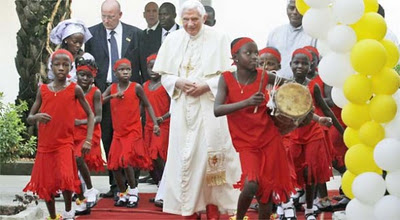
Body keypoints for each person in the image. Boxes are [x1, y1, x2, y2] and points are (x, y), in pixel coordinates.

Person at [152, 0, 241, 218]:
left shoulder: (219, 37)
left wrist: (206, 86)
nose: (190, 24)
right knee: (186, 157)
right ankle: (190, 208)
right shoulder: (172, 39)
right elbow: (164, 74)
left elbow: (229, 74)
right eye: (186, 20)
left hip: (210, 106)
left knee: (211, 154)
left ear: (204, 18)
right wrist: (177, 83)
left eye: (194, 19)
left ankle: (214, 206)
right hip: (183, 107)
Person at [214, 37, 296, 220]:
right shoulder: (226, 79)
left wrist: (282, 101)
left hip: (269, 139)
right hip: (246, 143)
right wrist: (247, 102)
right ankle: (240, 217)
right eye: (248, 53)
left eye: (255, 52)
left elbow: (290, 84)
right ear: (235, 57)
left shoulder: (264, 76)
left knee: (265, 192)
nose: (254, 57)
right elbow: (217, 110)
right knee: (251, 184)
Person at [23, 49, 95, 220]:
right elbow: (29, 118)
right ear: (51, 67)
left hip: (65, 142)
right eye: (57, 65)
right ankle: (53, 216)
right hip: (45, 145)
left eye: (65, 65)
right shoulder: (43, 90)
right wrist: (36, 117)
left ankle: (69, 212)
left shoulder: (74, 89)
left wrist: (88, 140)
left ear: (71, 68)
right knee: (47, 183)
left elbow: (90, 115)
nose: (61, 68)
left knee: (65, 178)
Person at [84, 0, 143, 199]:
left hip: (130, 96)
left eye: (111, 16)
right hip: (106, 94)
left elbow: (141, 65)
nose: (106, 20)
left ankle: (132, 183)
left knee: (131, 141)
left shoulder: (134, 34)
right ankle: (116, 184)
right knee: (109, 138)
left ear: (120, 15)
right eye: (103, 16)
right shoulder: (91, 34)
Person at [102, 58, 160, 208]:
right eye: (122, 70)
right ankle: (123, 193)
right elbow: (100, 100)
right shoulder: (113, 88)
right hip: (118, 133)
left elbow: (148, 105)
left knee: (126, 161)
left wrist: (154, 124)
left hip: (133, 132)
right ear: (115, 73)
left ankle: (134, 192)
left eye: (128, 69)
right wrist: (112, 97)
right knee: (114, 165)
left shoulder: (136, 87)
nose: (125, 72)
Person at [286, 48, 334, 220]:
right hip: (292, 135)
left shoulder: (313, 86)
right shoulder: (285, 85)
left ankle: (310, 209)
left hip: (313, 133)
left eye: (304, 63)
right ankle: (287, 205)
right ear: (290, 64)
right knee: (292, 171)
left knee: (310, 173)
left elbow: (325, 108)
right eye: (296, 62)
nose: (300, 66)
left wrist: (340, 129)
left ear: (311, 66)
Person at [73, 57, 104, 215]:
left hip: (89, 131)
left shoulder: (95, 92)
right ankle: (81, 197)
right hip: (73, 132)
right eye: (82, 75)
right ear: (77, 74)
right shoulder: (72, 89)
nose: (85, 78)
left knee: (78, 158)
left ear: (93, 77)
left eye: (88, 76)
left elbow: (98, 117)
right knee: (73, 164)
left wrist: (80, 121)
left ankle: (90, 189)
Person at [266, 0, 317, 79]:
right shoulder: (275, 33)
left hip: (302, 87)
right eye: (291, 8)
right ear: (287, 9)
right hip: (276, 85)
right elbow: (267, 61)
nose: (294, 12)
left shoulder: (313, 34)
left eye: (298, 9)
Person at [143, 54, 170, 186]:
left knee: (158, 153)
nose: (153, 70)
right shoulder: (144, 85)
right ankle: (159, 183)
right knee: (149, 157)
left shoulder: (166, 85)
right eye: (150, 67)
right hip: (148, 126)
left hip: (163, 125)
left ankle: (165, 183)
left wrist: (162, 117)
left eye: (156, 67)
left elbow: (174, 107)